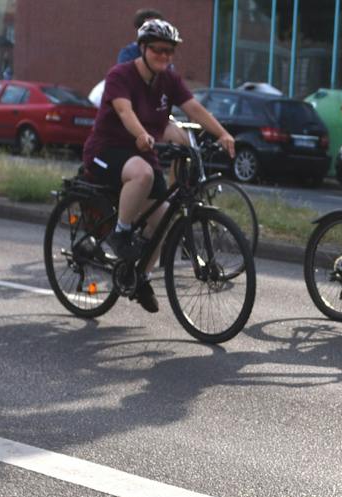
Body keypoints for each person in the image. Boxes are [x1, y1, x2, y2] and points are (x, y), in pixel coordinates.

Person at [81, 18, 237, 315]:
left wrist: (222, 133)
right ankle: (121, 232)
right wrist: (140, 134)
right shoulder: (121, 75)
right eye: (158, 50)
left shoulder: (169, 80)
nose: (164, 56)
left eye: (170, 51)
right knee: (142, 173)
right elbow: (125, 111)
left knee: (162, 222)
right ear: (142, 48)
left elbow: (193, 108)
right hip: (107, 151)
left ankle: (138, 277)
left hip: (143, 154)